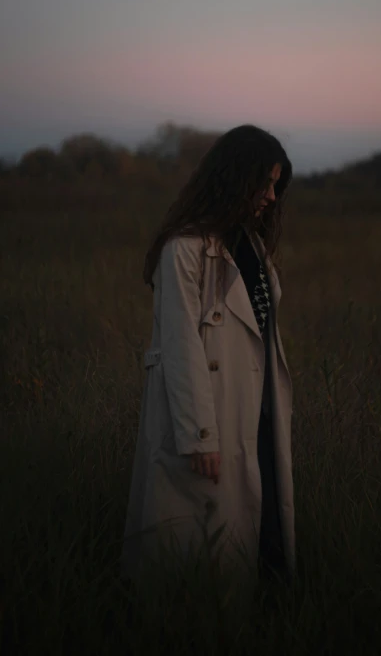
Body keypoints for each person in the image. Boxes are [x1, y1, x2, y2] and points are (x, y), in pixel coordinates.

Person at [121, 124, 295, 588]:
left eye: (277, 184)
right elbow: (178, 346)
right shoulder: (184, 248)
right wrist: (199, 436)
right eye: (266, 182)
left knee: (261, 533)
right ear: (236, 178)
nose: (272, 196)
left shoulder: (250, 245)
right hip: (209, 419)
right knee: (196, 547)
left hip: (254, 411)